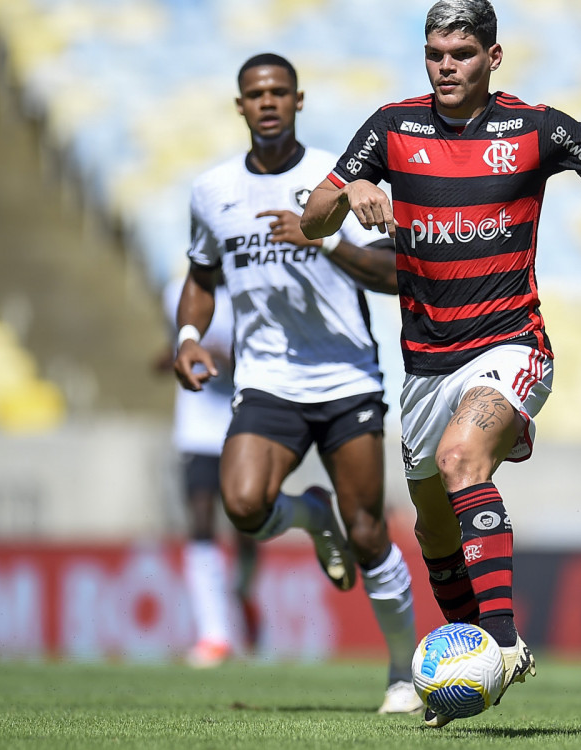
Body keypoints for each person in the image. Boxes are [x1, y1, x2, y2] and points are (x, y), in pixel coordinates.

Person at [300, 0, 581, 727]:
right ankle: (465, 664)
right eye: (434, 54)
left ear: (493, 57)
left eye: (460, 54)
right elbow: (314, 217)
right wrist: (351, 189)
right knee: (435, 528)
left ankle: (505, 646)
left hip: (512, 344)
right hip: (424, 366)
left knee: (459, 462)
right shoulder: (391, 128)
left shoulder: (536, 128)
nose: (445, 66)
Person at [173, 53, 423, 714]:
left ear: (299, 100)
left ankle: (403, 670)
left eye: (279, 92)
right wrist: (188, 339)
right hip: (268, 380)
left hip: (346, 376)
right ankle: (309, 515)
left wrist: (326, 240)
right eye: (255, 94)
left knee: (368, 533)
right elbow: (201, 279)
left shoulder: (336, 180)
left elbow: (399, 273)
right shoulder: (212, 191)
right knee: (244, 505)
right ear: (240, 106)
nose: (268, 103)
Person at [158, 275, 260, 667]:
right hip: (196, 429)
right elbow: (173, 345)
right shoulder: (178, 292)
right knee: (201, 521)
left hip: (243, 423)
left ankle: (243, 591)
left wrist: (225, 357)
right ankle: (213, 634)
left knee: (248, 523)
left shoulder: (249, 284)